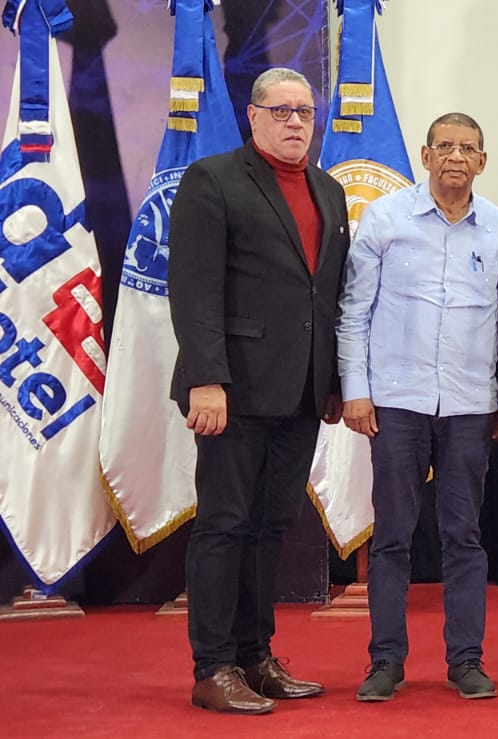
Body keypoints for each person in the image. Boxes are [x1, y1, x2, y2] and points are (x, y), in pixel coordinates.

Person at [167, 67, 349, 714]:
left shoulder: (329, 190)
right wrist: (205, 378)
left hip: (301, 391)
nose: (295, 121)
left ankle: (255, 656)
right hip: (232, 390)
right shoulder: (213, 180)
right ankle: (213, 666)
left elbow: (325, 297)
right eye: (281, 111)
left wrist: (332, 382)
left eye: (304, 111)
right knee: (225, 524)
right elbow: (193, 288)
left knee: (272, 526)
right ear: (253, 116)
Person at [336, 113, 498, 702]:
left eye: (468, 148)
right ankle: (385, 660)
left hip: (469, 404)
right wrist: (355, 389)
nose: (456, 157)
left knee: (464, 536)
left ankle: (466, 659)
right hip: (396, 401)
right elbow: (354, 311)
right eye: (445, 146)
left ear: (482, 161)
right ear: (426, 155)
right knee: (392, 536)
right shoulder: (385, 218)